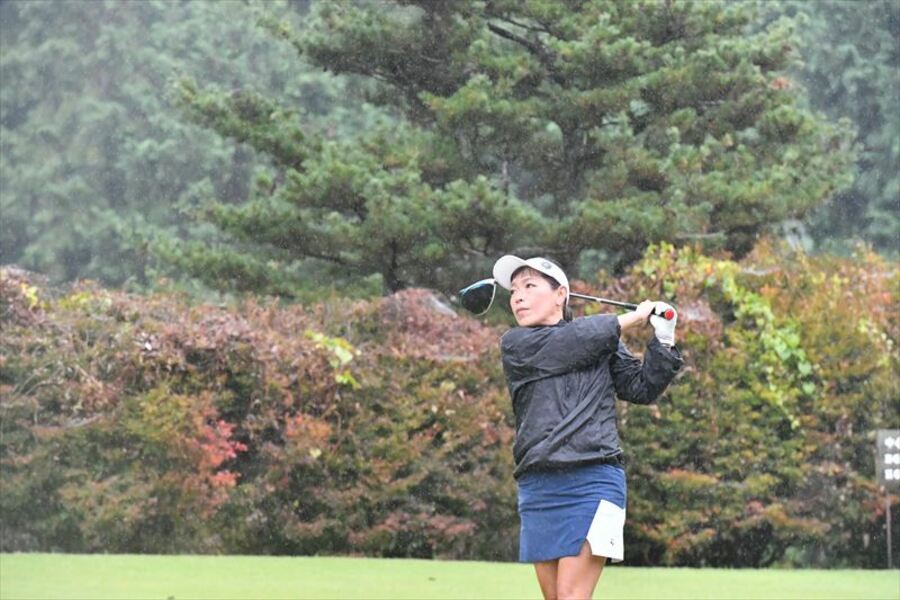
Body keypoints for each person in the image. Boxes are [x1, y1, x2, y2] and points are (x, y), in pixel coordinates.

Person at [493, 255, 683, 600]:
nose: (518, 296)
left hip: (593, 480)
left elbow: (641, 388)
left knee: (571, 597)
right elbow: (574, 341)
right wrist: (634, 317)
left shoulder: (599, 340)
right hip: (539, 485)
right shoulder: (516, 345)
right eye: (514, 290)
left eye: (530, 286)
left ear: (560, 295)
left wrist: (664, 340)